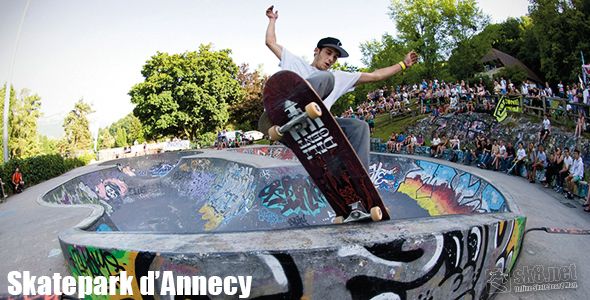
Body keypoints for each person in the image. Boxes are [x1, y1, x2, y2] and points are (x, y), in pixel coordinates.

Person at [261, 5, 418, 170]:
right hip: (288, 115)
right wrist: (272, 20)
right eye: (328, 53)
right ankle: (285, 115)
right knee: (325, 78)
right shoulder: (296, 63)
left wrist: (403, 64)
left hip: (318, 127)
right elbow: (270, 42)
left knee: (360, 127)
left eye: (335, 57)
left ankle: (359, 178)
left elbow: (375, 75)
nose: (331, 59)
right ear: (317, 51)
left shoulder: (340, 77)